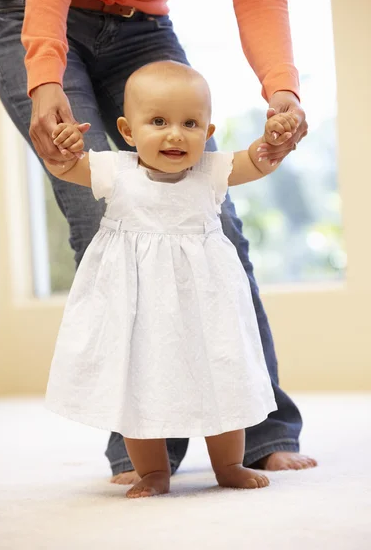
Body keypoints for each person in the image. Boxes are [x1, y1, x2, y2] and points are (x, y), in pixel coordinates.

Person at [0, 0, 316, 484]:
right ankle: (145, 451)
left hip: (144, 25)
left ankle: (261, 433)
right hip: (35, 5)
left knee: (214, 228)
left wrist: (282, 91)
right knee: (103, 222)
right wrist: (44, 76)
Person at [44, 61, 299, 499]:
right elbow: (66, 169)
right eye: (158, 122)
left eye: (190, 123)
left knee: (222, 378)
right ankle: (153, 472)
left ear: (208, 129)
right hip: (138, 308)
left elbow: (256, 162)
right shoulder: (115, 171)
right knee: (139, 386)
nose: (175, 134)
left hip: (208, 306)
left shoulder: (211, 171)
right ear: (127, 130)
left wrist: (271, 142)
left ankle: (230, 464)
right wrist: (64, 148)